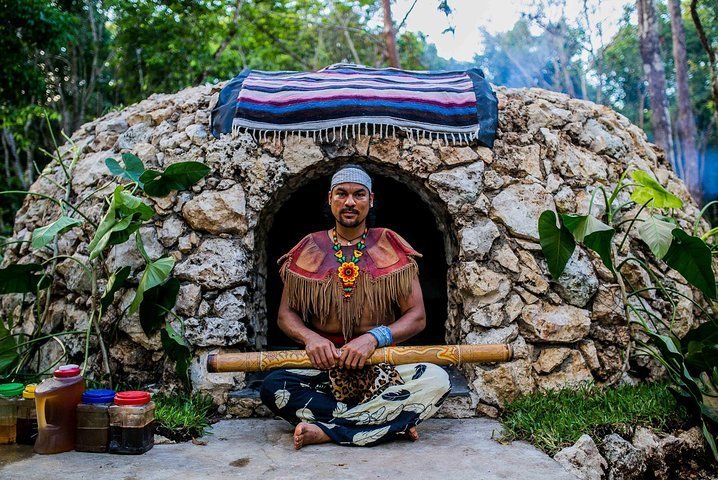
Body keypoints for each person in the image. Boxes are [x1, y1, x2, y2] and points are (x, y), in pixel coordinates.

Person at [260, 163, 451, 449]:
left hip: (382, 368)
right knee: (273, 386)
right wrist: (311, 339)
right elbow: (286, 315)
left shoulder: (392, 246)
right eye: (342, 194)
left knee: (437, 380)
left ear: (371, 200)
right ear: (330, 199)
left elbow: (417, 317)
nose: (350, 202)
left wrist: (373, 338)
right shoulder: (308, 248)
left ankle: (326, 431)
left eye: (359, 194)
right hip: (325, 369)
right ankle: (387, 424)